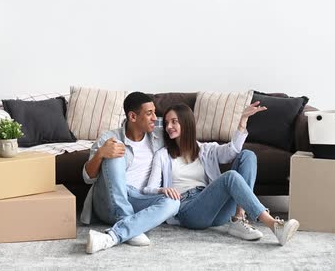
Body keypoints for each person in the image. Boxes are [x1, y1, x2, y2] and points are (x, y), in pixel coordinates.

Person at [143, 102, 299, 246]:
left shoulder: (206, 149)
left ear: (186, 123)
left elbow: (232, 151)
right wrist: (162, 190)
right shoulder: (162, 155)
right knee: (230, 177)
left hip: (215, 209)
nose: (169, 126)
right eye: (166, 123)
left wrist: (242, 121)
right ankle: (273, 225)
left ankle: (238, 219)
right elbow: (148, 189)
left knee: (248, 155)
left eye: (174, 121)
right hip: (188, 210)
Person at [81, 92, 180, 254]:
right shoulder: (109, 137)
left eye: (155, 112)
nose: (155, 118)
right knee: (115, 147)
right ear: (133, 117)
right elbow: (87, 178)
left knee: (173, 202)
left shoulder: (158, 136)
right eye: (149, 113)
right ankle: (128, 222)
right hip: (109, 200)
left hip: (139, 199)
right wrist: (100, 154)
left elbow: (185, 130)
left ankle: (119, 231)